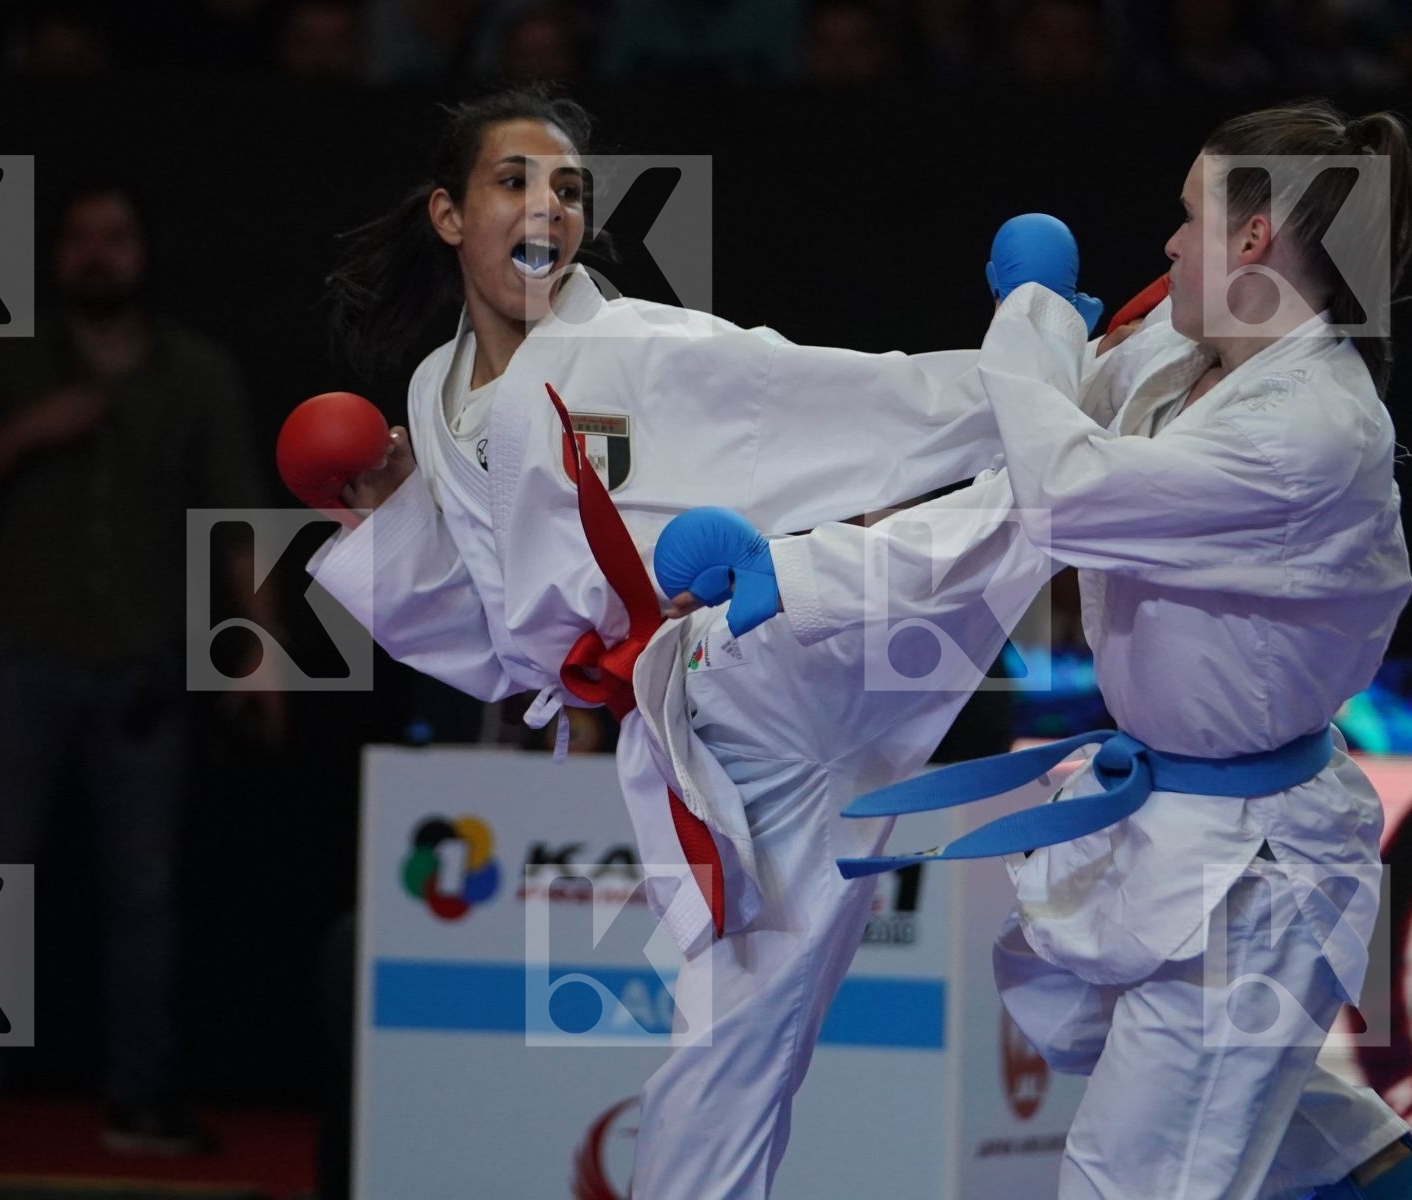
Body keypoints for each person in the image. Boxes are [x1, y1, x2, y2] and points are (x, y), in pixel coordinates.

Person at [306, 86, 1076, 1198]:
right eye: (515, 181)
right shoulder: (436, 395)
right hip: (698, 726)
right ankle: (1080, 410)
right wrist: (385, 515)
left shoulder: (635, 346)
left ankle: (1074, 376)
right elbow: (492, 627)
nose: (549, 207)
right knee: (737, 1052)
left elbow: (845, 396)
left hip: (767, 673)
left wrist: (1023, 357)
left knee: (990, 523)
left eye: (569, 190)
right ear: (446, 213)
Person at [678, 101, 1412, 1199]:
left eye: (1189, 218)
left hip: (1257, 864)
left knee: (1130, 1175)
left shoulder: (1310, 429)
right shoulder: (1184, 351)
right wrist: (804, 570)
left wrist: (1033, 313)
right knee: (1145, 1054)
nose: (1170, 244)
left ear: (1253, 239)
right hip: (1166, 814)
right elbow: (1012, 474)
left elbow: (1060, 490)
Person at [0, 178, 283, 1155]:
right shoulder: (9, 360)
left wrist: (262, 657)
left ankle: (138, 1094)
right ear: (52, 257)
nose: (96, 255)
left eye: (114, 237)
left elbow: (241, 520)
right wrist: (30, 430)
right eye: (78, 238)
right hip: (23, 653)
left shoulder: (195, 370)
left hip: (144, 664)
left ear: (143, 253)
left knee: (145, 890)